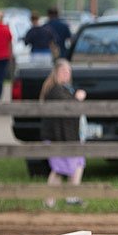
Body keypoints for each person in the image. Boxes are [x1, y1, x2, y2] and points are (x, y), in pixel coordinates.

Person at [40, 59, 87, 207]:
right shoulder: (55, 90)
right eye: (63, 71)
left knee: (79, 162)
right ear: (56, 72)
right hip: (57, 137)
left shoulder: (66, 89)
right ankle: (49, 200)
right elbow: (68, 107)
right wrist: (77, 99)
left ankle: (71, 196)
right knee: (59, 169)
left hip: (68, 136)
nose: (66, 74)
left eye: (69, 72)